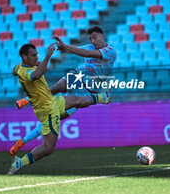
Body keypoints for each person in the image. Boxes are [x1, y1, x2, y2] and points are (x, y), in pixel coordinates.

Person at [10, 26, 116, 156]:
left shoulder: (110, 51)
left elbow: (85, 53)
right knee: (55, 88)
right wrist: (62, 47)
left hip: (89, 88)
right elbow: (76, 50)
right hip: (79, 76)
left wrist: (66, 46)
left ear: (102, 35)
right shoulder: (90, 46)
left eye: (94, 37)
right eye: (90, 39)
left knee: (56, 118)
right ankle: (26, 100)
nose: (93, 41)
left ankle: (22, 141)